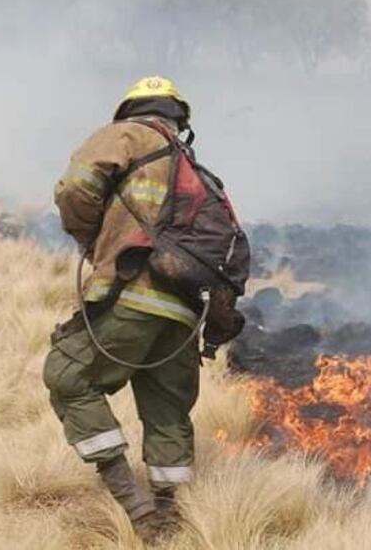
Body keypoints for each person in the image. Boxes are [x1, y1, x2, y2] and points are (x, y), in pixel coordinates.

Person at [44, 76, 250, 544]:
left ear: (132, 109)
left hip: (131, 292)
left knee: (67, 375)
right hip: (184, 316)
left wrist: (92, 239)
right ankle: (169, 516)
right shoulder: (198, 174)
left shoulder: (127, 135)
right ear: (180, 120)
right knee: (167, 412)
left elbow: (76, 188)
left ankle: (137, 510)